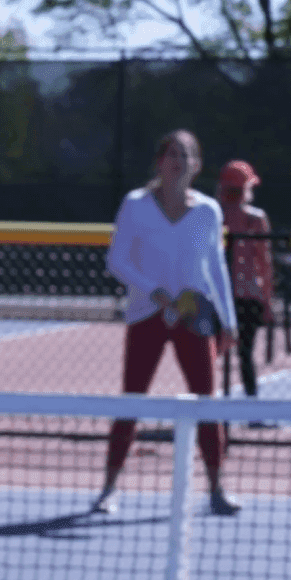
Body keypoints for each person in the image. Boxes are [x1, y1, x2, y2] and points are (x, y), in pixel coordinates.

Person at [93, 130, 241, 518]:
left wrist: (228, 320)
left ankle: (216, 488)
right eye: (172, 154)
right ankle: (108, 489)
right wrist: (154, 291)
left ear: (196, 165)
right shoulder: (136, 205)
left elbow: (216, 267)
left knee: (207, 404)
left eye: (186, 155)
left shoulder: (208, 211)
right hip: (148, 314)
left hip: (195, 317)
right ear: (159, 161)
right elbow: (117, 261)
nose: (178, 161)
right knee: (132, 400)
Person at [216, 160, 275, 422]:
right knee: (245, 355)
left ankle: (211, 412)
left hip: (220, 295)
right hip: (248, 296)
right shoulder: (255, 219)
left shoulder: (214, 214)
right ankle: (252, 411)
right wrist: (267, 299)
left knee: (215, 353)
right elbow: (265, 264)